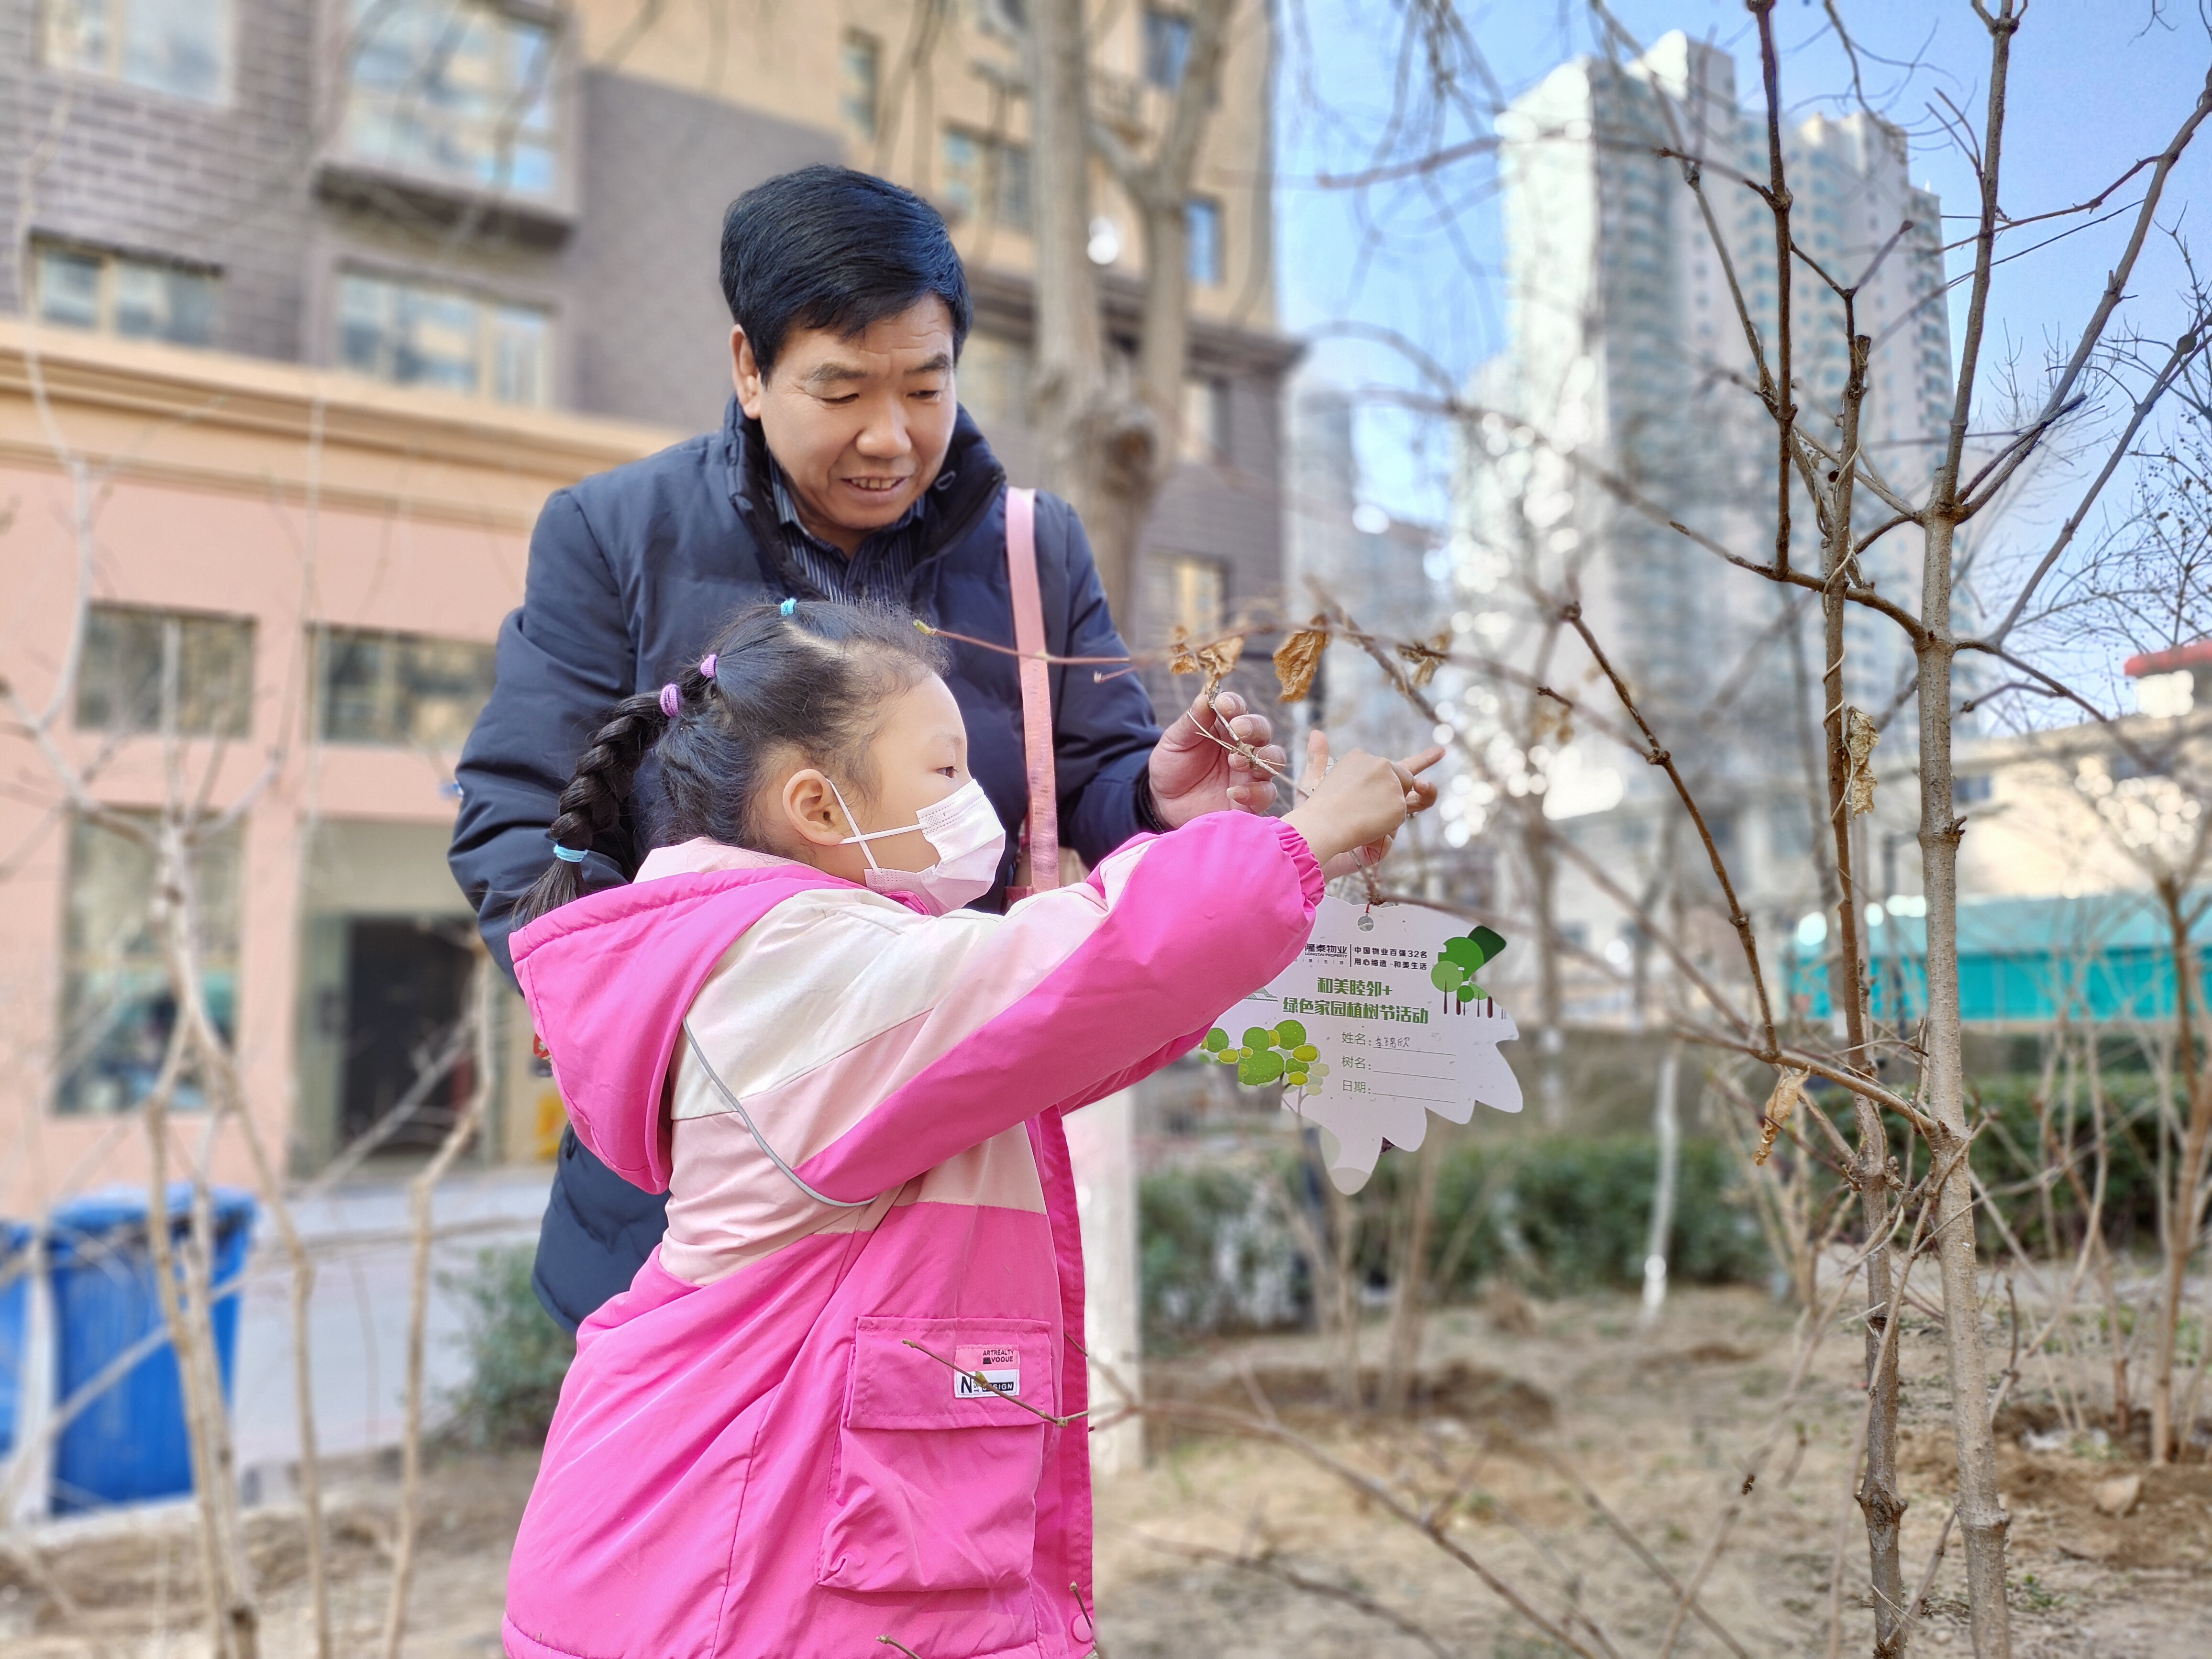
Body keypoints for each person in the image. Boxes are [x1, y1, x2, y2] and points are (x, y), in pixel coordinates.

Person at [498, 599, 1434, 1659]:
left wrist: (1247, 854)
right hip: (727, 1580)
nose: (974, 803)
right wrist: (1288, 848)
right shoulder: (784, 967)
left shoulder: (809, 960)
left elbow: (1071, 1028)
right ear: (815, 803)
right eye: (944, 774)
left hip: (733, 1561)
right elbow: (1059, 972)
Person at [449, 166, 1288, 1332]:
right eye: (839, 390)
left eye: (924, 387)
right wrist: (670, 1043)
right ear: (749, 368)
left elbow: (1080, 792)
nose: (889, 439)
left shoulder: (1030, 554)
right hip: (697, 1200)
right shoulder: (613, 535)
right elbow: (518, 822)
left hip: (952, 1164)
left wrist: (1150, 796)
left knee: (931, 1498)